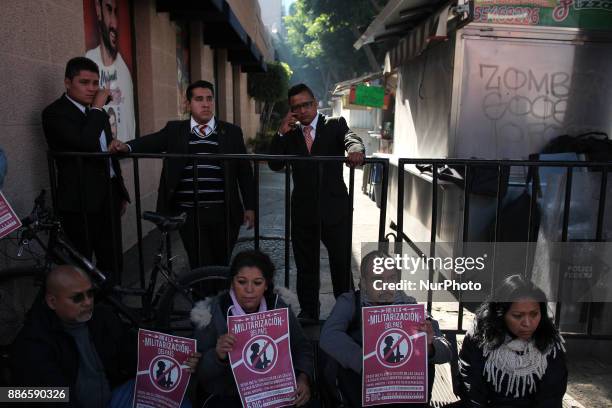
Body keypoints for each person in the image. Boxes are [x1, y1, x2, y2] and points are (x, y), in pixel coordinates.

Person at [109, 80, 255, 268]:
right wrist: (126, 146)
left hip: (224, 212)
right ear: (188, 104)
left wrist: (250, 206)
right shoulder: (175, 130)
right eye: (199, 99)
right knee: (199, 264)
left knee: (221, 266)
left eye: (209, 99)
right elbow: (151, 142)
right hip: (189, 213)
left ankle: (219, 297)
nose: (206, 104)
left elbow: (244, 171)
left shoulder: (232, 132)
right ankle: (201, 297)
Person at [10, 265, 199, 408]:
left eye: (90, 294)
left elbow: (133, 353)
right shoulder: (33, 342)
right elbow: (18, 394)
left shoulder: (102, 318)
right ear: (52, 301)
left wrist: (179, 359)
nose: (87, 302)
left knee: (173, 397)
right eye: (77, 298)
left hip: (114, 397)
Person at [268, 83, 365, 320]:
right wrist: (280, 132)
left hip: (335, 209)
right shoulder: (289, 133)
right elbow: (274, 163)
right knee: (305, 266)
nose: (302, 110)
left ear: (315, 103)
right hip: (303, 210)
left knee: (341, 264)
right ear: (291, 110)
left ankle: (347, 314)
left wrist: (355, 148)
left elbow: (350, 137)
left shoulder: (334, 124)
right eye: (296, 107)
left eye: (306, 104)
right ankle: (310, 312)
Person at [319, 250, 452, 407]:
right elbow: (329, 335)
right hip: (363, 389)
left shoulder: (410, 306)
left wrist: (429, 347)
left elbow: (446, 351)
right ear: (363, 283)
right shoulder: (350, 302)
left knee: (424, 357)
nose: (385, 286)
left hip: (403, 392)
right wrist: (366, 362)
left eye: (391, 278)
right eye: (377, 279)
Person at [42, 57, 130, 284]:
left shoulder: (96, 113)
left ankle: (112, 312)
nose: (92, 89)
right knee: (80, 265)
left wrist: (119, 190)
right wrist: (99, 108)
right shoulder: (55, 113)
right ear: (67, 83)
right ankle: (84, 315)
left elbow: (103, 151)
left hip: (108, 196)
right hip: (79, 201)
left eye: (95, 83)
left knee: (112, 261)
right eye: (84, 82)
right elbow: (85, 144)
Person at [190, 250, 314, 407]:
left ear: (266, 285)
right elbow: (200, 374)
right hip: (229, 394)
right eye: (242, 282)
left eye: (257, 283)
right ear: (232, 282)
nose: (249, 290)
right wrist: (217, 355)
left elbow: (302, 347)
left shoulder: (278, 307)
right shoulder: (213, 313)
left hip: (274, 392)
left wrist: (303, 378)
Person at [458, 275, 567, 407]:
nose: (527, 323)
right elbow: (472, 392)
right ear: (500, 314)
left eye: (534, 314)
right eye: (517, 316)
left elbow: (551, 398)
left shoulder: (550, 342)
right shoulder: (480, 337)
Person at [85, 0, 135, 142]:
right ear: (98, 9)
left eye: (116, 12)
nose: (114, 24)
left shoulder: (124, 70)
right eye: (108, 9)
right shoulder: (88, 60)